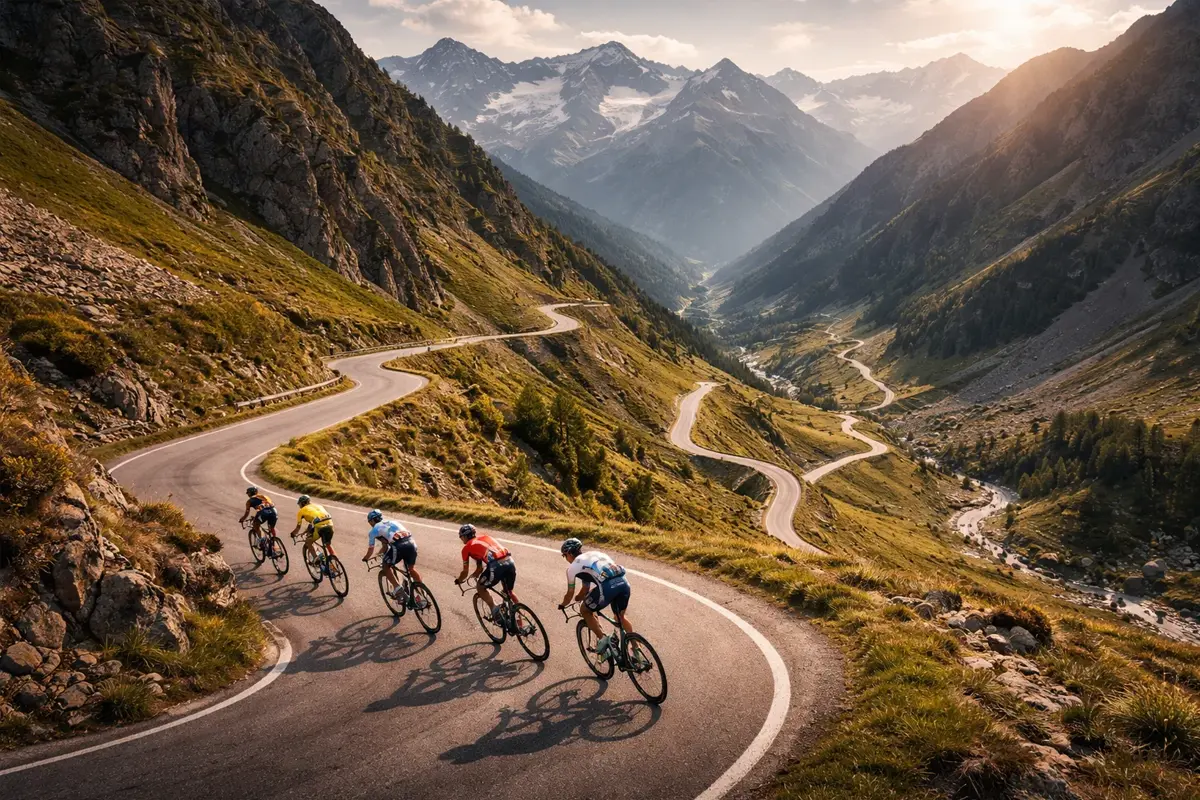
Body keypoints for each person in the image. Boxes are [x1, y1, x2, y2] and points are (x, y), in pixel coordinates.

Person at [557, 538, 632, 658]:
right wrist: (579, 597)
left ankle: (603, 639)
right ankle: (636, 648)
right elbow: (585, 589)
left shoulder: (572, 568)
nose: (565, 558)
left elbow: (570, 593)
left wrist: (563, 604)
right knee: (620, 617)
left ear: (569, 553)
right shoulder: (594, 554)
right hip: (624, 583)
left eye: (564, 555)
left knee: (585, 610)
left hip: (608, 588)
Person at [454, 523, 517, 625]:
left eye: (461, 536)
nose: (461, 539)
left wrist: (459, 580)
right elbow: (479, 568)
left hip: (496, 565)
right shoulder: (485, 537)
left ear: (465, 536)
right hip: (510, 561)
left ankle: (495, 610)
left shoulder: (466, 548)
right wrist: (475, 574)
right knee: (509, 592)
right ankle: (519, 621)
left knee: (480, 587)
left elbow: (465, 572)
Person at [361, 509, 421, 593]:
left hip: (399, 546)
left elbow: (372, 548)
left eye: (370, 522)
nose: (370, 524)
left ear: (372, 521)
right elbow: (385, 546)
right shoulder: (393, 521)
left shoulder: (374, 530)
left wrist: (366, 558)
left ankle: (397, 588)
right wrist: (379, 554)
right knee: (411, 569)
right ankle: (422, 590)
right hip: (411, 543)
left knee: (385, 566)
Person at [289, 494, 337, 579]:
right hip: (330, 525)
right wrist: (306, 531)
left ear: (303, 503)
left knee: (308, 542)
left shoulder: (301, 511)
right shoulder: (318, 506)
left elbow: (298, 527)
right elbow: (313, 522)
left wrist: (293, 534)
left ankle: (317, 559)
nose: (299, 506)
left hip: (320, 527)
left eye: (299, 504)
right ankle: (335, 559)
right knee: (328, 544)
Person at [239, 486, 277, 554]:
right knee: (271, 528)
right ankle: (274, 542)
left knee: (256, 525)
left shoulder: (249, 501)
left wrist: (242, 519)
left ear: (249, 493)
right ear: (256, 492)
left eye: (248, 493)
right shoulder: (264, 496)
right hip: (274, 511)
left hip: (263, 513)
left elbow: (247, 512)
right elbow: (266, 505)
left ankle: (263, 542)